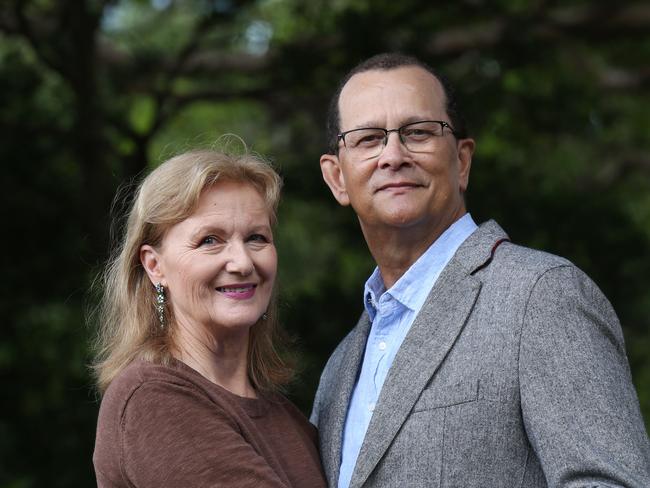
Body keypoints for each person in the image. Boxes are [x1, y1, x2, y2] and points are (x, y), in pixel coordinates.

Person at [311, 52, 650, 488]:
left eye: (418, 133)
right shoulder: (339, 369)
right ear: (337, 177)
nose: (393, 155)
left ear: (462, 161)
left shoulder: (541, 296)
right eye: (368, 138)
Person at [92, 147, 327, 487]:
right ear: (154, 266)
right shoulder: (151, 400)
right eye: (210, 241)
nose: (243, 262)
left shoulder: (285, 417)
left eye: (256, 238)